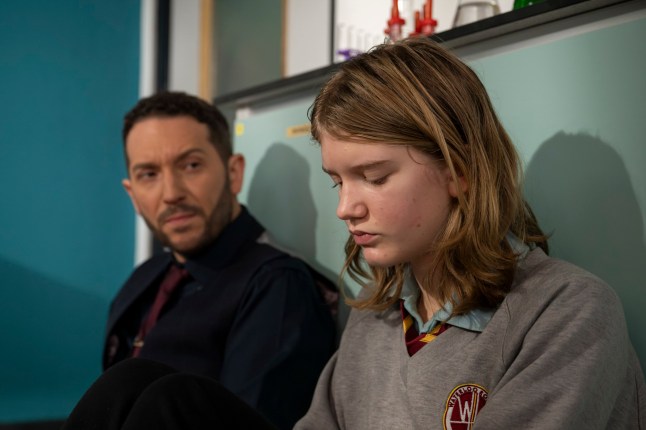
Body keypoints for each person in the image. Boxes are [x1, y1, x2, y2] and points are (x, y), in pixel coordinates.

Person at [62, 38, 645, 429]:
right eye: (338, 181)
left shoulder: (567, 311)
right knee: (140, 387)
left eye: (374, 176)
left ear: (460, 169)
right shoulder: (377, 318)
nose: (345, 208)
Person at [95, 91, 337, 430]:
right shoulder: (143, 279)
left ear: (233, 173)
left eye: (191, 165)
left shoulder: (278, 285)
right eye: (149, 174)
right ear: (132, 194)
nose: (171, 193)